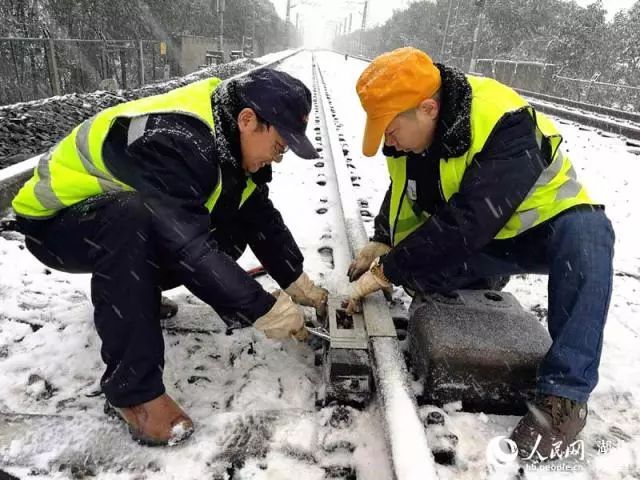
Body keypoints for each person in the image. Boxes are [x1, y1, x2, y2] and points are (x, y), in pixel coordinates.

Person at [12, 68, 328, 446]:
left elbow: (257, 213)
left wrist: (297, 282)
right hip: (55, 223)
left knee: (226, 226)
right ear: (248, 121)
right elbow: (186, 245)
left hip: (103, 219)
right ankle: (134, 394)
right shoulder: (178, 141)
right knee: (133, 216)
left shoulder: (227, 138)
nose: (279, 158)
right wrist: (262, 307)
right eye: (279, 146)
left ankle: (138, 296)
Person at [348, 47, 614, 460]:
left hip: (542, 232)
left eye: (390, 127)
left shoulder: (503, 119)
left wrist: (390, 269)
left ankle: (563, 399)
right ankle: (483, 277)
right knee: (423, 275)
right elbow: (404, 194)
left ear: (428, 108)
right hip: (484, 240)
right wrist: (384, 238)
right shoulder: (407, 142)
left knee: (590, 234)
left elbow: (470, 220)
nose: (387, 139)